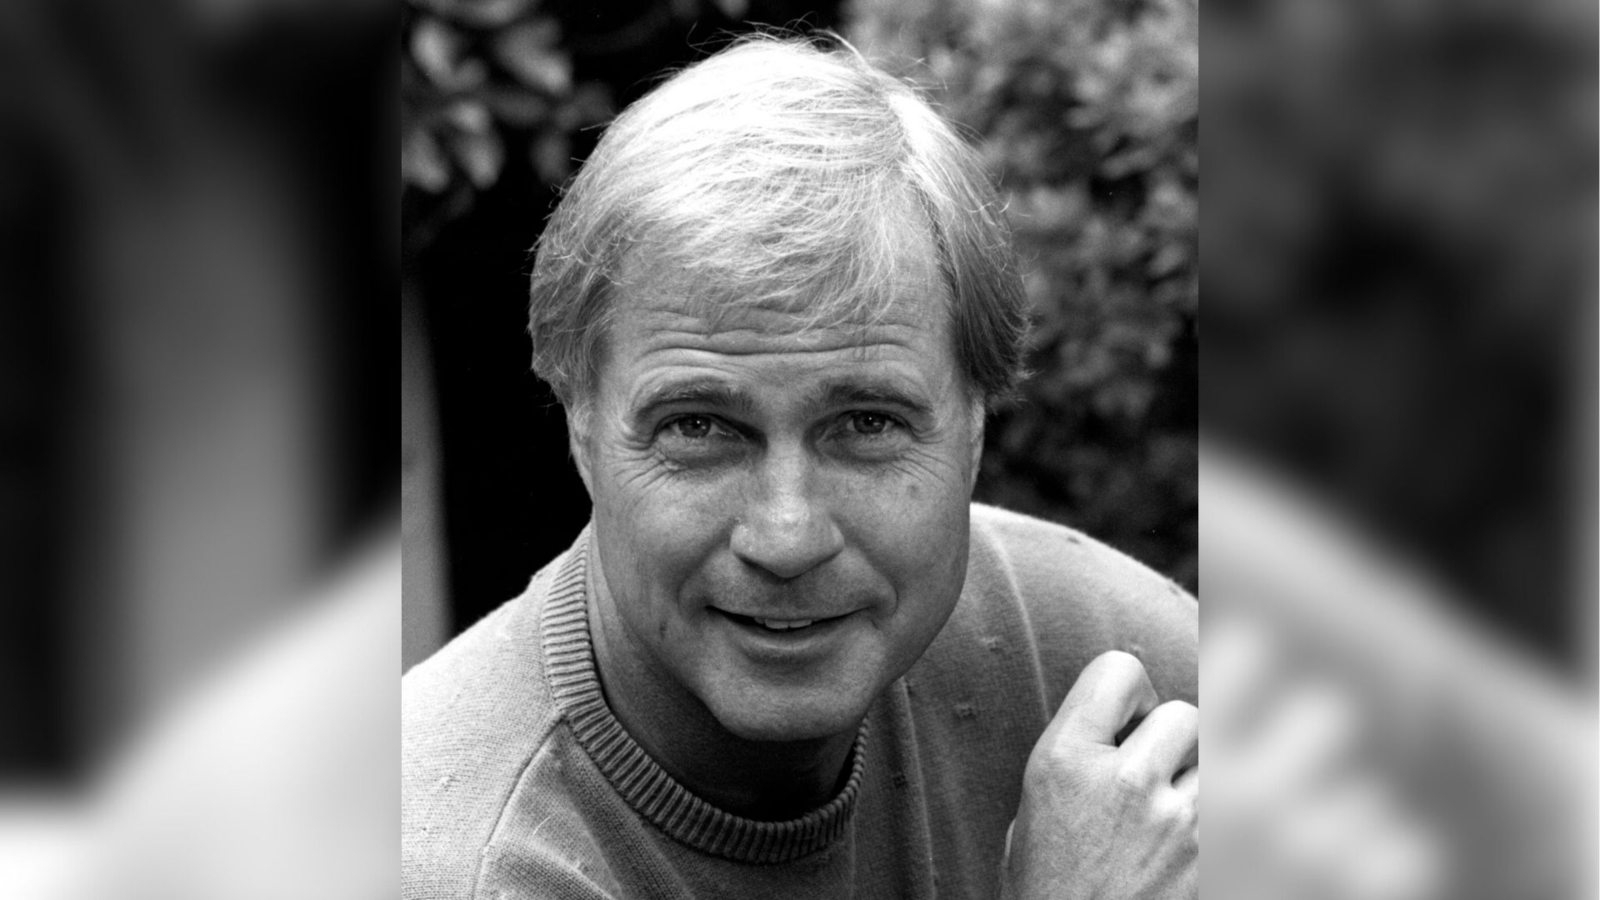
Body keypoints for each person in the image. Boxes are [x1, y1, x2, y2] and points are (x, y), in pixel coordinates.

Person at [402, 36, 1197, 900]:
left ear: (976, 423)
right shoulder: (457, 868)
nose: (787, 537)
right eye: (699, 428)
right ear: (581, 430)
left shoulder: (1099, 657)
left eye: (866, 424)